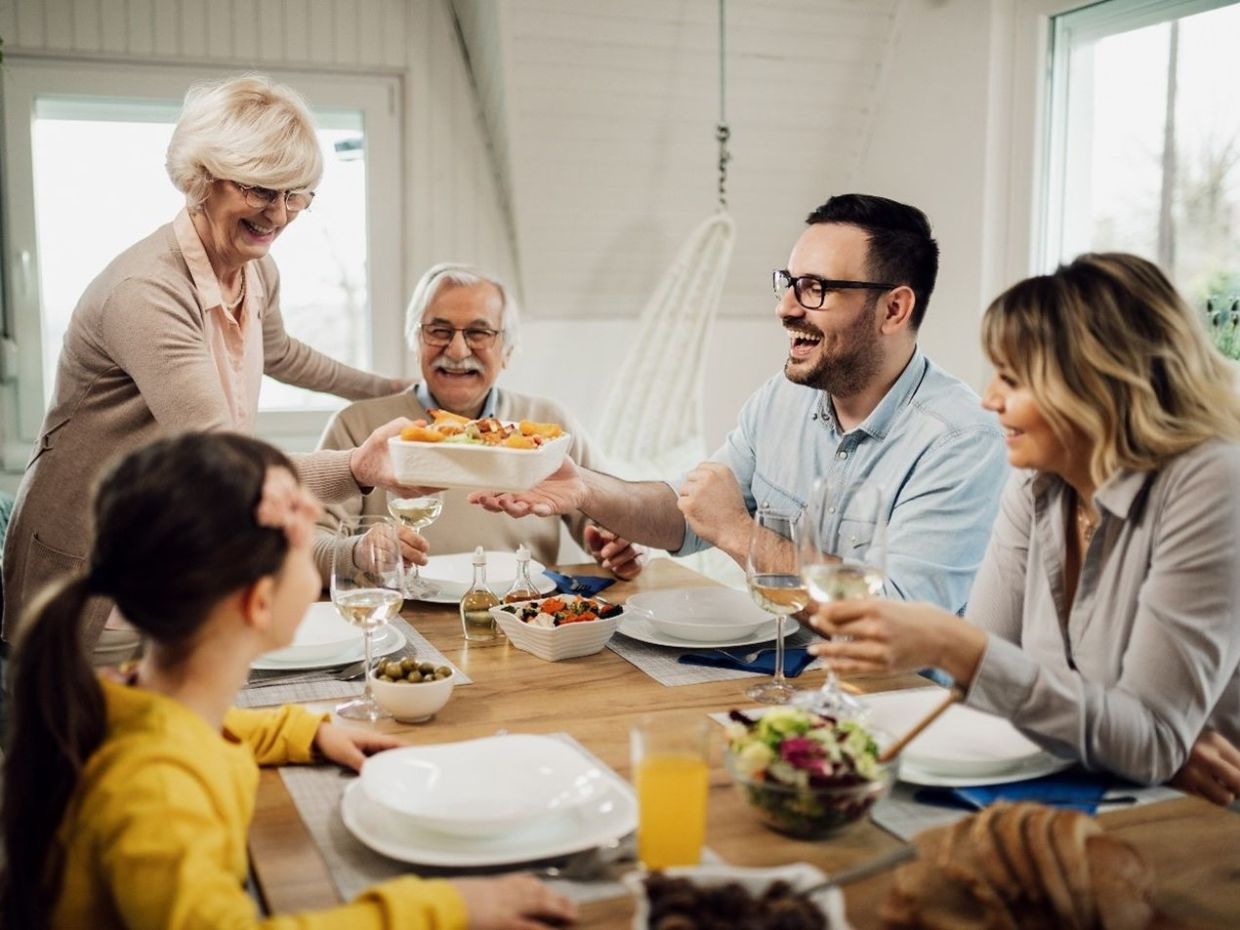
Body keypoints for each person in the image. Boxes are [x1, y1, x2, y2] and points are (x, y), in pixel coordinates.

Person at [0, 432, 576, 930]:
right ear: (257, 601)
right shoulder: (158, 793)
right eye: (307, 554)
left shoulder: (130, 696)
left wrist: (298, 730)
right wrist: (442, 908)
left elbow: (194, 727)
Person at [2, 75, 423, 663]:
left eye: (297, 193)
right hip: (96, 575)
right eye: (260, 190)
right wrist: (358, 466)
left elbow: (280, 353)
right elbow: (222, 462)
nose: (279, 214)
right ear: (202, 179)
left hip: (179, 555)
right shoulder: (146, 292)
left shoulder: (255, 270)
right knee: (100, 750)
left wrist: (395, 390)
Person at [808, 253, 1240, 801]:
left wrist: (954, 645)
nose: (988, 399)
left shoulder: (1211, 483)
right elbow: (988, 696)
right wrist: (1127, 741)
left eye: (1012, 379)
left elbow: (1148, 739)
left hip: (1195, 825)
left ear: (1097, 384)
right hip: (1094, 789)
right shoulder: (1039, 480)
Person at [472, 194, 1007, 614]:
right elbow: (686, 518)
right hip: (776, 674)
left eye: (814, 288)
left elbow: (894, 622)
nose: (785, 308)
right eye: (788, 283)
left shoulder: (960, 440)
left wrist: (738, 533)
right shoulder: (783, 398)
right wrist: (585, 487)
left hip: (893, 708)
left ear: (894, 308)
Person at [314, 262, 643, 581]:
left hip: (524, 620)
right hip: (401, 624)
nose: (457, 351)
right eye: (439, 331)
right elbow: (303, 546)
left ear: (508, 350)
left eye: (478, 332)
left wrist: (624, 546)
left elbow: (616, 518)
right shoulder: (356, 425)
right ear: (416, 342)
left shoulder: (549, 423)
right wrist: (356, 551)